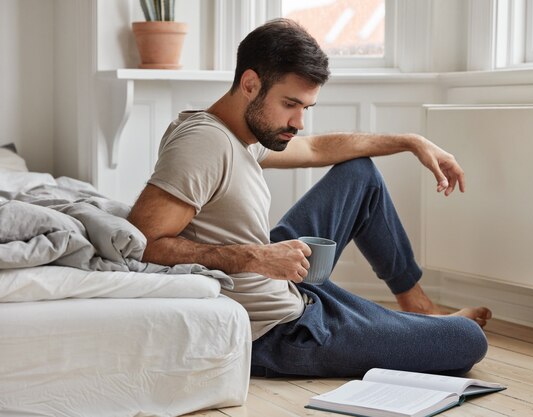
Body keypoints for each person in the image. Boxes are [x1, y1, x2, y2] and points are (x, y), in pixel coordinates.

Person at [128, 18, 492, 378]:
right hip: (277, 330)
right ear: (250, 84)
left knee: (359, 173)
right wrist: (258, 256)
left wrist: (411, 141)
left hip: (279, 278)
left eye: (305, 108)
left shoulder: (238, 133)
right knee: (466, 340)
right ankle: (410, 324)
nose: (299, 122)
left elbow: (317, 147)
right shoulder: (204, 144)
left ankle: (419, 308)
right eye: (290, 104)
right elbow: (142, 244)